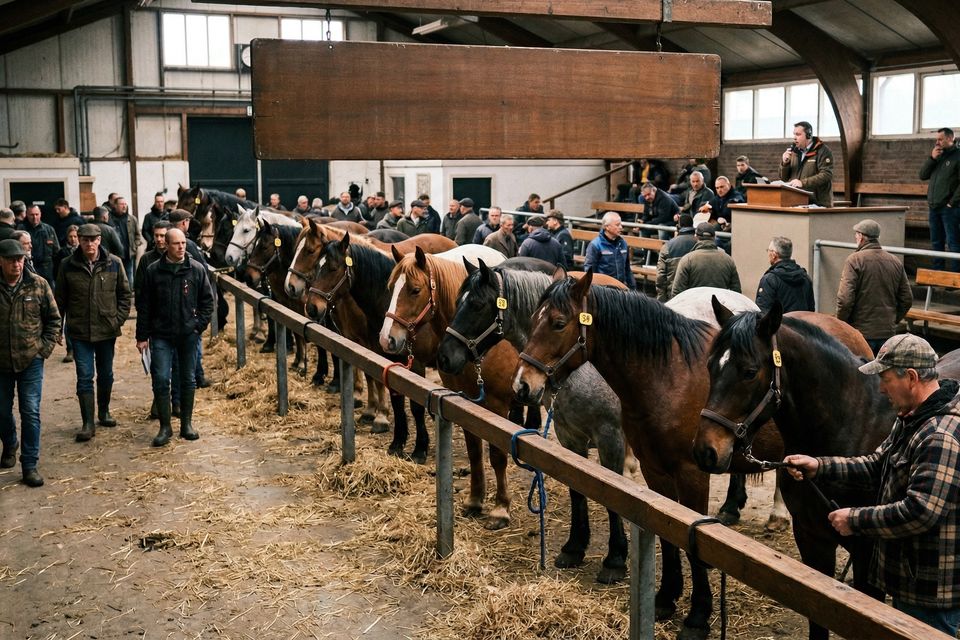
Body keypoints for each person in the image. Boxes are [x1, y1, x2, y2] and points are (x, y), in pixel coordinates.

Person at [784, 334, 960, 636]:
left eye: (886, 379)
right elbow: (875, 464)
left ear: (912, 378)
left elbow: (920, 511)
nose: (880, 388)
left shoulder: (938, 436)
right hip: (913, 578)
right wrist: (820, 466)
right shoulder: (911, 417)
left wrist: (855, 520)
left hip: (933, 589)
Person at [136, 228, 214, 447]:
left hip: (188, 335)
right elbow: (145, 306)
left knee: (188, 379)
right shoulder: (154, 271)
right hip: (161, 335)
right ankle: (165, 427)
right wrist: (142, 336)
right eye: (176, 243)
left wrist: (198, 326)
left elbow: (208, 302)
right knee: (160, 379)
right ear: (166, 246)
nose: (181, 247)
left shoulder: (196, 269)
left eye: (183, 243)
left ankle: (186, 424)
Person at [55, 224, 131, 442]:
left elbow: (125, 296)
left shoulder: (113, 263)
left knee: (106, 374)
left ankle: (104, 411)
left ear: (100, 240)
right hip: (79, 332)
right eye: (85, 239)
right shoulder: (67, 265)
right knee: (85, 376)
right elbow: (59, 300)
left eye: (93, 239)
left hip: (107, 330)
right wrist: (58, 328)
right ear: (78, 240)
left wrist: (118, 319)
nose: (89, 243)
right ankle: (87, 423)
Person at [0, 238, 61, 487]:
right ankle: (10, 442)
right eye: (12, 260)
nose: (17, 264)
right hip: (1, 362)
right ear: (1, 261)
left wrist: (43, 349)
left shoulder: (37, 285)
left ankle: (29, 464)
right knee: (2, 411)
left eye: (21, 259)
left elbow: (54, 320)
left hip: (30, 359)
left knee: (31, 411)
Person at [836, 219, 913, 355]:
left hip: (860, 333)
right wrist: (893, 319)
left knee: (862, 372)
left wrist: (842, 324)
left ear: (861, 237)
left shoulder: (854, 260)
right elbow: (906, 299)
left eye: (856, 235)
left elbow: (845, 299)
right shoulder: (895, 261)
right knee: (884, 374)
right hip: (887, 332)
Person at [919, 127, 960, 272]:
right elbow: (923, 175)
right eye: (937, 139)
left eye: (940, 139)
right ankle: (938, 274)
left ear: (950, 139)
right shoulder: (938, 156)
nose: (937, 142)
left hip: (950, 209)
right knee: (936, 242)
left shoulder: (958, 156)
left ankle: (956, 278)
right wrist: (932, 158)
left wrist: (951, 203)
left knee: (953, 243)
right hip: (934, 207)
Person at [672, 223, 741, 297]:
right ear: (714, 237)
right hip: (719, 306)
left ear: (696, 237)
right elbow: (736, 291)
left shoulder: (687, 260)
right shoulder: (728, 260)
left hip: (694, 306)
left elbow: (677, 292)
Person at [780, 120, 834, 207]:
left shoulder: (822, 151)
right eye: (794, 134)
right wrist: (785, 163)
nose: (794, 137)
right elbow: (784, 178)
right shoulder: (793, 151)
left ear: (808, 135)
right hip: (797, 201)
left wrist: (803, 183)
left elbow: (826, 174)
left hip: (818, 203)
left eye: (798, 134)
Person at [755, 236, 815, 313]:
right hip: (802, 324)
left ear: (774, 255)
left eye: (768, 250)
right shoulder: (805, 277)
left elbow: (763, 312)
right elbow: (811, 311)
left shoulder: (769, 280)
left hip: (779, 325)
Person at [584, 212, 635, 288]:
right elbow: (590, 272)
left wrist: (633, 288)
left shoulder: (623, 243)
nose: (621, 227)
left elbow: (627, 269)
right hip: (604, 292)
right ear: (607, 227)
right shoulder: (595, 245)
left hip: (621, 289)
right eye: (617, 225)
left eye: (621, 224)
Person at [655, 213, 697, 302]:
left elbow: (661, 276)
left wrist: (661, 299)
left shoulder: (668, 246)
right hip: (695, 294)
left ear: (678, 227)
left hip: (674, 295)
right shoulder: (699, 243)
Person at [18, 205, 59, 284]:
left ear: (40, 214)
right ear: (27, 215)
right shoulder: (21, 230)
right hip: (28, 270)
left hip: (47, 272)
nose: (34, 217)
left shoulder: (49, 229)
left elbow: (56, 251)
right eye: (32, 215)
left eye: (37, 214)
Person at [108, 196, 142, 286]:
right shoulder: (110, 219)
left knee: (129, 278)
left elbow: (138, 235)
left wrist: (134, 247)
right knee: (116, 278)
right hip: (115, 255)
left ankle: (129, 297)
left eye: (125, 204)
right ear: (115, 205)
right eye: (121, 204)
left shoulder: (132, 219)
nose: (124, 206)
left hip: (128, 255)